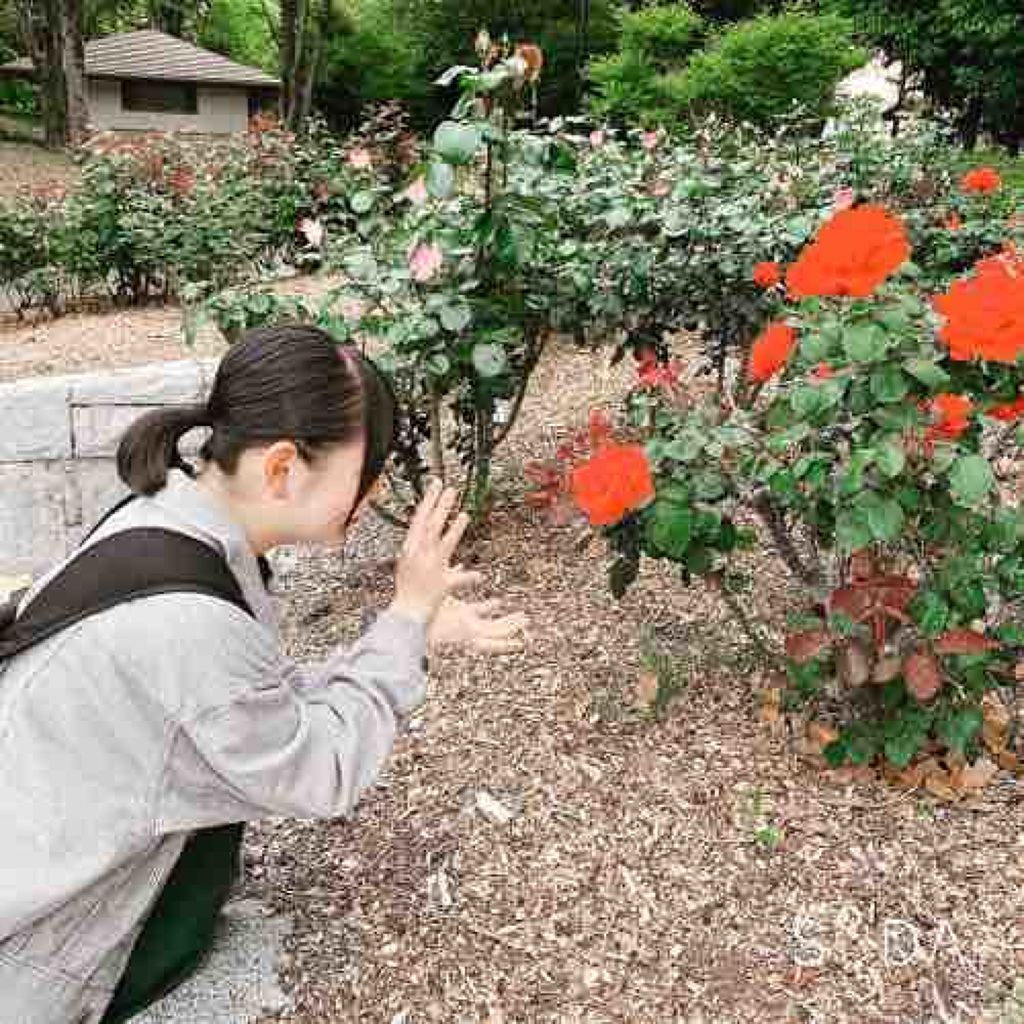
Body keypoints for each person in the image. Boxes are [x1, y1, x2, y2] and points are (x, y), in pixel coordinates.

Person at [0, 325, 527, 1023]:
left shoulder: (169, 518)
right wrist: (405, 615)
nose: (366, 500)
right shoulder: (191, 623)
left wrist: (412, 634)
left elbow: (258, 698)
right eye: (362, 477)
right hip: (38, 952)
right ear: (281, 468)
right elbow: (319, 767)